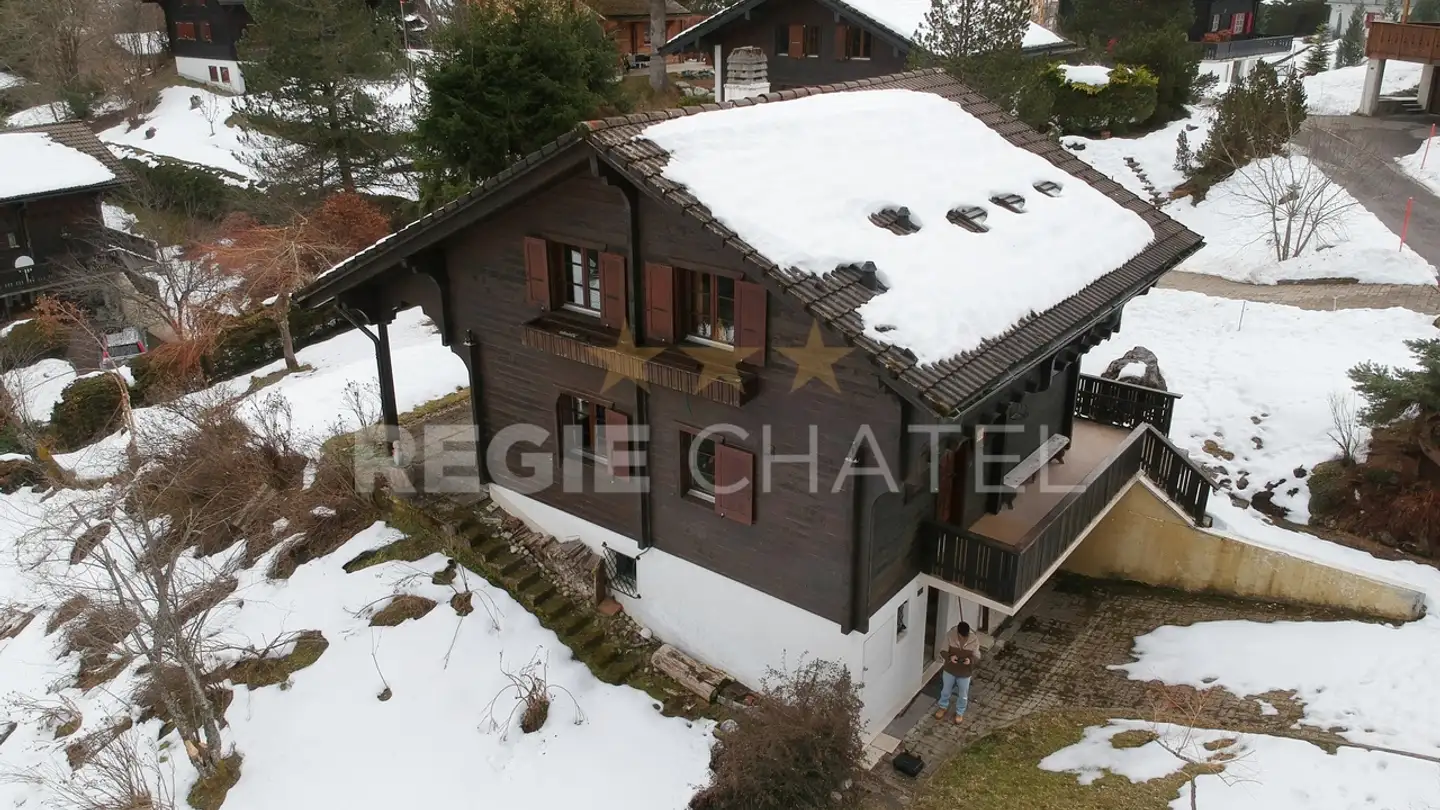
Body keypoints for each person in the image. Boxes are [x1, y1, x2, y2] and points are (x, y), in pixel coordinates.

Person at [935, 621, 980, 724]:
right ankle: (943, 707)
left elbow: (977, 655)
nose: (964, 638)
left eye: (966, 636)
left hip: (965, 672)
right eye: (961, 636)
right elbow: (942, 650)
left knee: (963, 694)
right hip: (950, 669)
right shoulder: (950, 636)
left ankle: (960, 712)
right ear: (958, 633)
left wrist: (970, 661)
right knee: (945, 690)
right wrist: (950, 657)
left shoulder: (974, 639)